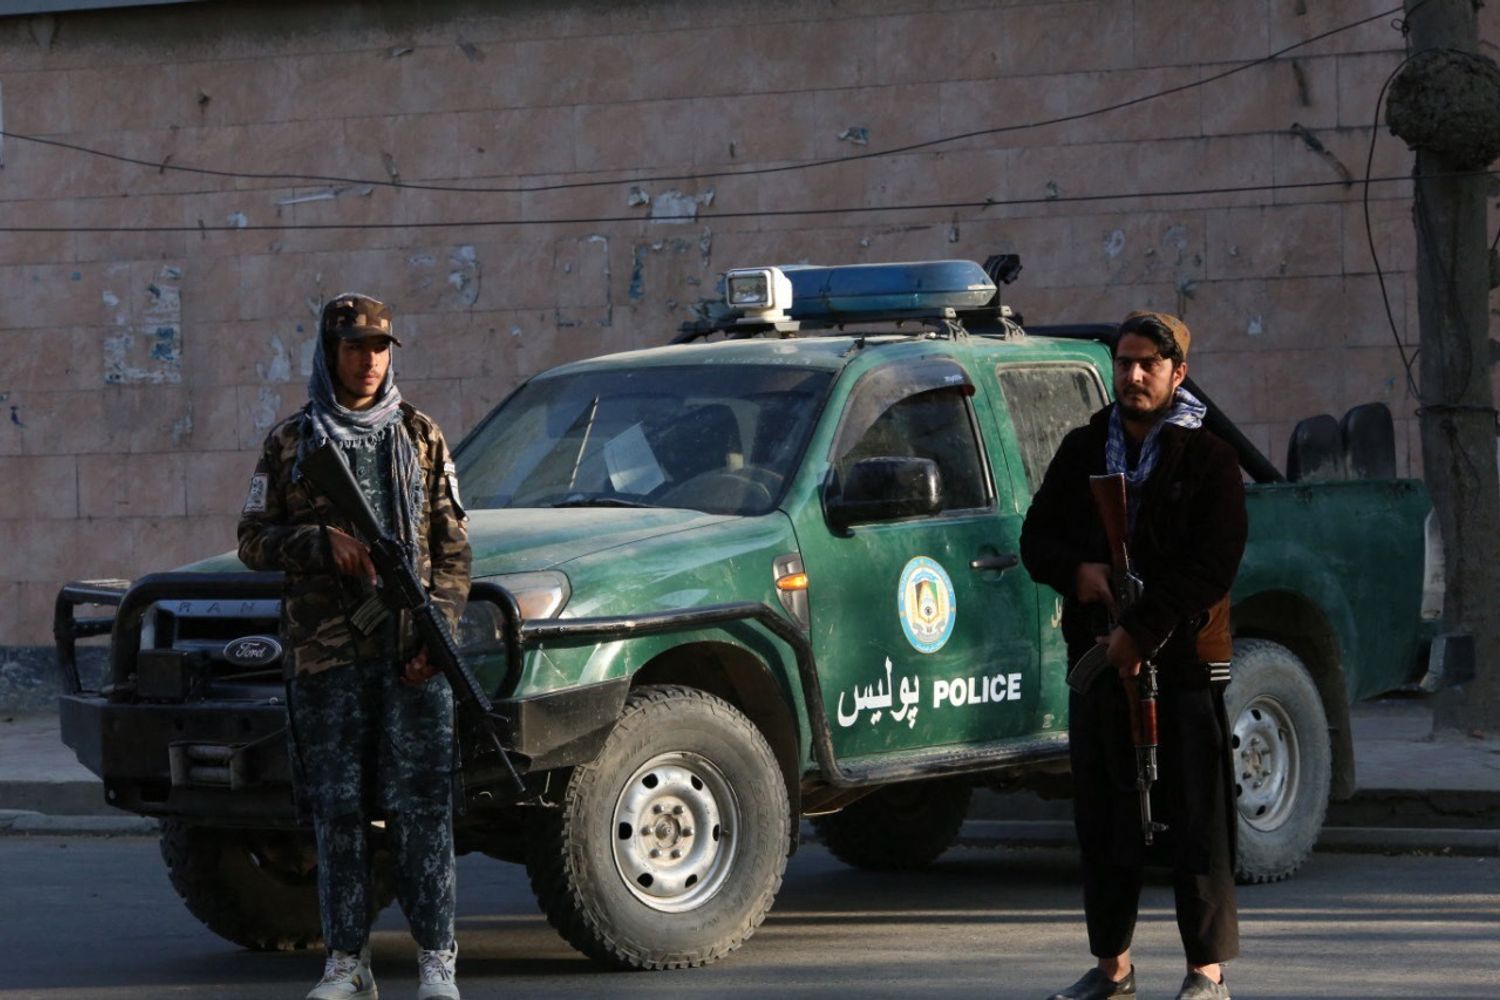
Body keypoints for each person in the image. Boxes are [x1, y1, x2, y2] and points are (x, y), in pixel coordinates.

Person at [238, 293, 471, 1000]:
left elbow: (454, 552)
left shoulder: (422, 437)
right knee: (337, 811)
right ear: (328, 352)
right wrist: (318, 542)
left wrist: (442, 633)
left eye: (378, 348)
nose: (367, 361)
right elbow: (251, 541)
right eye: (353, 348)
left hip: (410, 658)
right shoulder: (293, 443)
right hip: (327, 660)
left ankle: (437, 962)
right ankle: (347, 962)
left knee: (423, 810)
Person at [1020, 311, 1247, 1000]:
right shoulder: (1084, 448)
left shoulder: (1208, 457)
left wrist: (1139, 631)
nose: (1134, 375)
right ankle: (1112, 967)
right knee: (1105, 821)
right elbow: (1037, 541)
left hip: (1181, 664)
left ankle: (1205, 972)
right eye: (1124, 362)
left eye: (1149, 363)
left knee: (1197, 823)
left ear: (1178, 372)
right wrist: (1081, 574)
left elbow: (1213, 565)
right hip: (1101, 662)